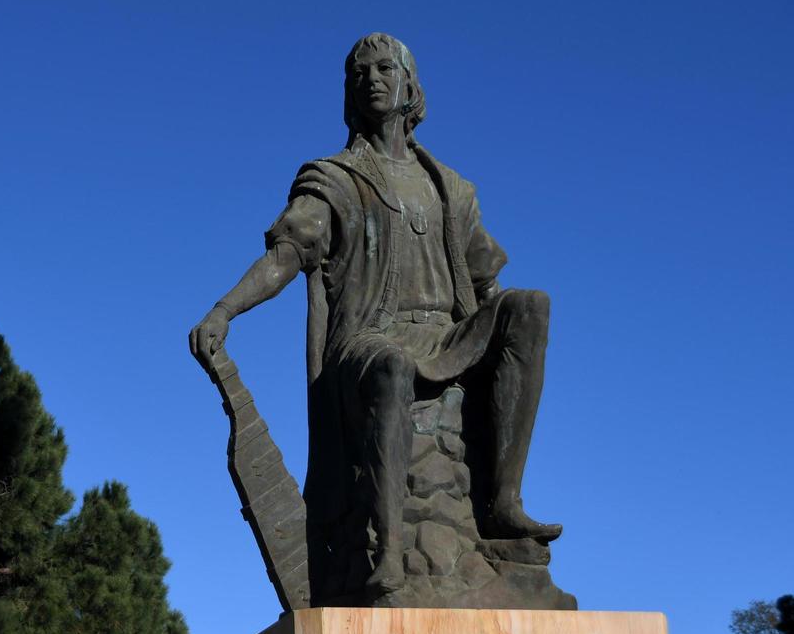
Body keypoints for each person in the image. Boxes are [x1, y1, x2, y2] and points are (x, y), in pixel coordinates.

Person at [189, 33, 559, 599]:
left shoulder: (451, 188)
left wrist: (498, 346)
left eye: (386, 68)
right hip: (367, 340)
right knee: (390, 367)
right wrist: (224, 310)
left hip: (447, 333)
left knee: (529, 307)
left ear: (411, 84)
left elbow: (488, 281)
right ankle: (387, 551)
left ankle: (503, 504)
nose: (373, 78)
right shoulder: (335, 177)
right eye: (359, 73)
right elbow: (287, 254)